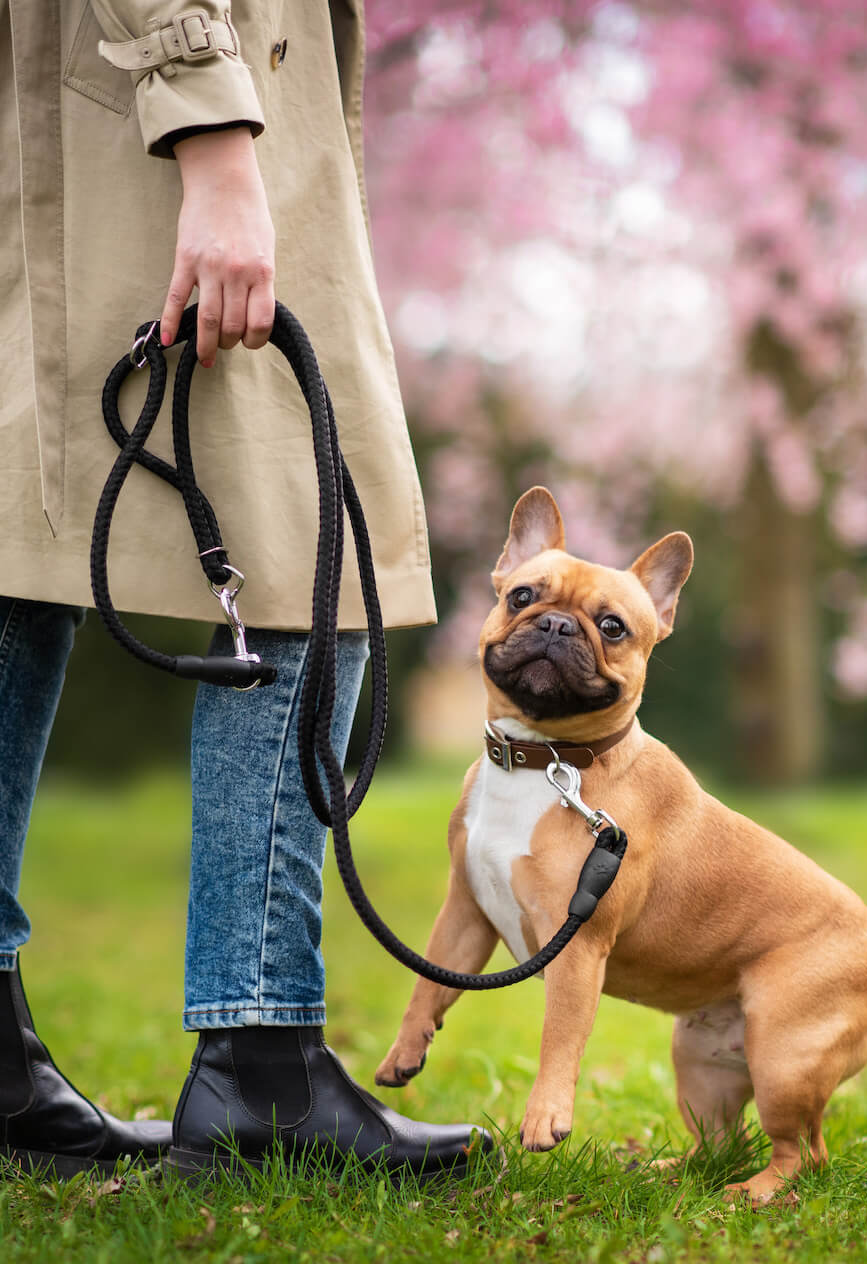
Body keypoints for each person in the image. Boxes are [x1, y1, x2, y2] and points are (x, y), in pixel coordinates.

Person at [0, 2, 486, 1177]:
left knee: (21, 547)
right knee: (313, 548)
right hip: (164, 131)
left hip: (88, 118)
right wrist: (216, 146)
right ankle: (258, 1061)